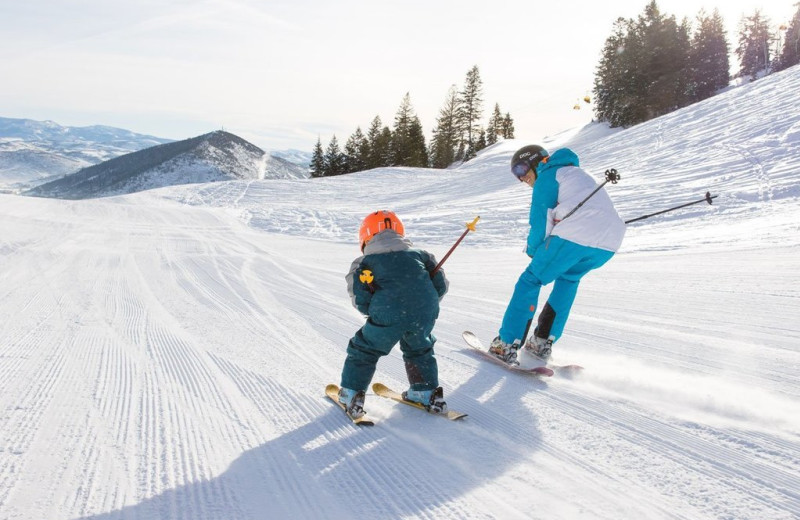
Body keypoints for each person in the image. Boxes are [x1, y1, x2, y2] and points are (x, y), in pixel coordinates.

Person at [489, 145, 626, 365]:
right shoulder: (578, 174)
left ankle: (506, 343)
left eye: (522, 169)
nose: (521, 177)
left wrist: (534, 251)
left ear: (537, 162)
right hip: (609, 243)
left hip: (574, 237)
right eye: (516, 174)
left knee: (530, 280)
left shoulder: (549, 174)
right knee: (568, 279)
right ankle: (541, 342)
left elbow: (540, 221)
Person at [338, 210, 450, 418]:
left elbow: (359, 298)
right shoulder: (421, 255)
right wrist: (421, 307)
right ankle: (425, 392)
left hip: (387, 312)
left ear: (365, 236)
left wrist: (378, 311)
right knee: (420, 349)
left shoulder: (364, 263)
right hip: (424, 311)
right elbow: (440, 285)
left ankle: (351, 394)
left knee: (365, 349)